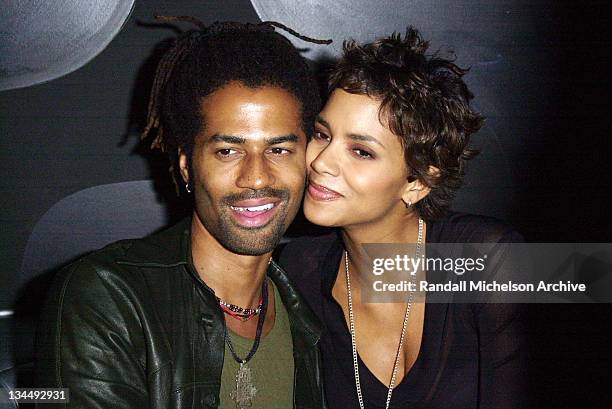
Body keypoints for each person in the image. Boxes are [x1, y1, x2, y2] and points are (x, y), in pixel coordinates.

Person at [36, 17, 330, 409]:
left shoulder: (307, 314)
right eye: (228, 151)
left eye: (279, 150)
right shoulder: (109, 296)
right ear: (187, 166)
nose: (256, 177)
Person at [278, 28, 528, 408]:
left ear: (418, 181)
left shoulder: (492, 259)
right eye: (322, 134)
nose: (320, 161)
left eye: (361, 151)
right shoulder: (300, 268)